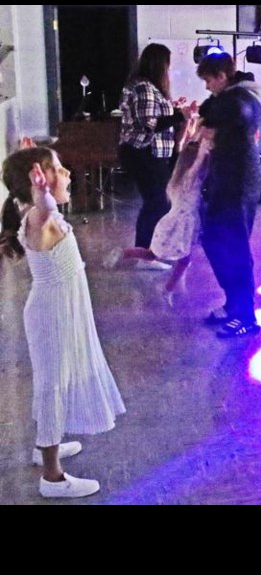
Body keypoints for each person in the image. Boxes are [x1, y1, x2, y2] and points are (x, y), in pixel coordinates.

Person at [0, 146, 126, 498]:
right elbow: (45, 210)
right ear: (39, 182)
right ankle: (52, 477)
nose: (68, 173)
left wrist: (38, 184)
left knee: (56, 379)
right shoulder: (40, 218)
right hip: (52, 315)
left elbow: (46, 208)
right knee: (53, 385)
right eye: (59, 168)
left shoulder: (39, 215)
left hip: (60, 310)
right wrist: (42, 195)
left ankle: (45, 446)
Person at [195, 53, 261, 338]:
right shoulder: (235, 95)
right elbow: (208, 110)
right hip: (225, 178)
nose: (208, 87)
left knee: (236, 246)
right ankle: (234, 302)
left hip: (239, 181)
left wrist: (208, 114)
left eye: (209, 80)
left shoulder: (245, 98)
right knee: (211, 238)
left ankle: (246, 315)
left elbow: (214, 112)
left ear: (222, 76)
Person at [104, 129, 212, 306]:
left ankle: (125, 253)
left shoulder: (177, 176)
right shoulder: (189, 180)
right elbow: (195, 161)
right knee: (172, 258)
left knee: (158, 255)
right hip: (178, 225)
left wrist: (199, 130)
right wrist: (204, 147)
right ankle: (165, 288)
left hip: (177, 224)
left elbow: (182, 149)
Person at [119, 43, 196, 268]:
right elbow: (148, 124)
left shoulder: (148, 87)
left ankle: (147, 253)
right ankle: (145, 255)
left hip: (151, 152)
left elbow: (154, 117)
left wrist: (174, 110)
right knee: (156, 202)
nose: (169, 71)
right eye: (167, 66)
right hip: (142, 152)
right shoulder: (144, 87)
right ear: (159, 65)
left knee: (157, 202)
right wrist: (179, 115)